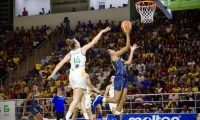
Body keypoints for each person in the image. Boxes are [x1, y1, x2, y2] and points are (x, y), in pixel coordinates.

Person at [48, 27, 111, 120]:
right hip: (80, 74)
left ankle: (81, 116)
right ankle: (66, 117)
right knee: (77, 99)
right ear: (76, 45)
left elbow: (59, 64)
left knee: (80, 96)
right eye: (77, 41)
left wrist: (53, 74)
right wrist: (102, 31)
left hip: (72, 75)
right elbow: (94, 42)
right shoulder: (82, 49)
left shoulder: (70, 53)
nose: (78, 42)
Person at [93, 27, 139, 118]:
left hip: (124, 78)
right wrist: (127, 33)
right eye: (110, 50)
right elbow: (126, 47)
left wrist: (132, 51)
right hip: (119, 77)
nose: (111, 49)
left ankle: (117, 113)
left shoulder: (119, 59)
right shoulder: (114, 55)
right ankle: (101, 99)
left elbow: (129, 62)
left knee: (123, 98)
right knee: (115, 99)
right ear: (110, 53)